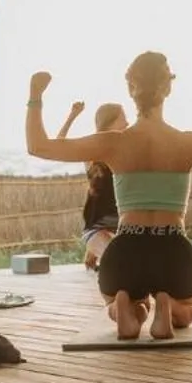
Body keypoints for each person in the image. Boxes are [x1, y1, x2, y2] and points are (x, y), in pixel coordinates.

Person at [27, 53, 192, 340]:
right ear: (167, 88)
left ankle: (129, 312)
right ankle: (169, 309)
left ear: (131, 88)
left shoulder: (112, 143)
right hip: (172, 249)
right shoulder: (186, 142)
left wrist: (35, 95)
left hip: (125, 252)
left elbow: (39, 146)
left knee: (124, 300)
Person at [70, 102, 128, 269]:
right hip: (96, 227)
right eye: (123, 119)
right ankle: (95, 249)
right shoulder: (92, 153)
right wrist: (73, 116)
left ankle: (96, 252)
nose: (127, 123)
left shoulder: (125, 150)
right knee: (120, 260)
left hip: (123, 227)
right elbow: (59, 143)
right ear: (109, 123)